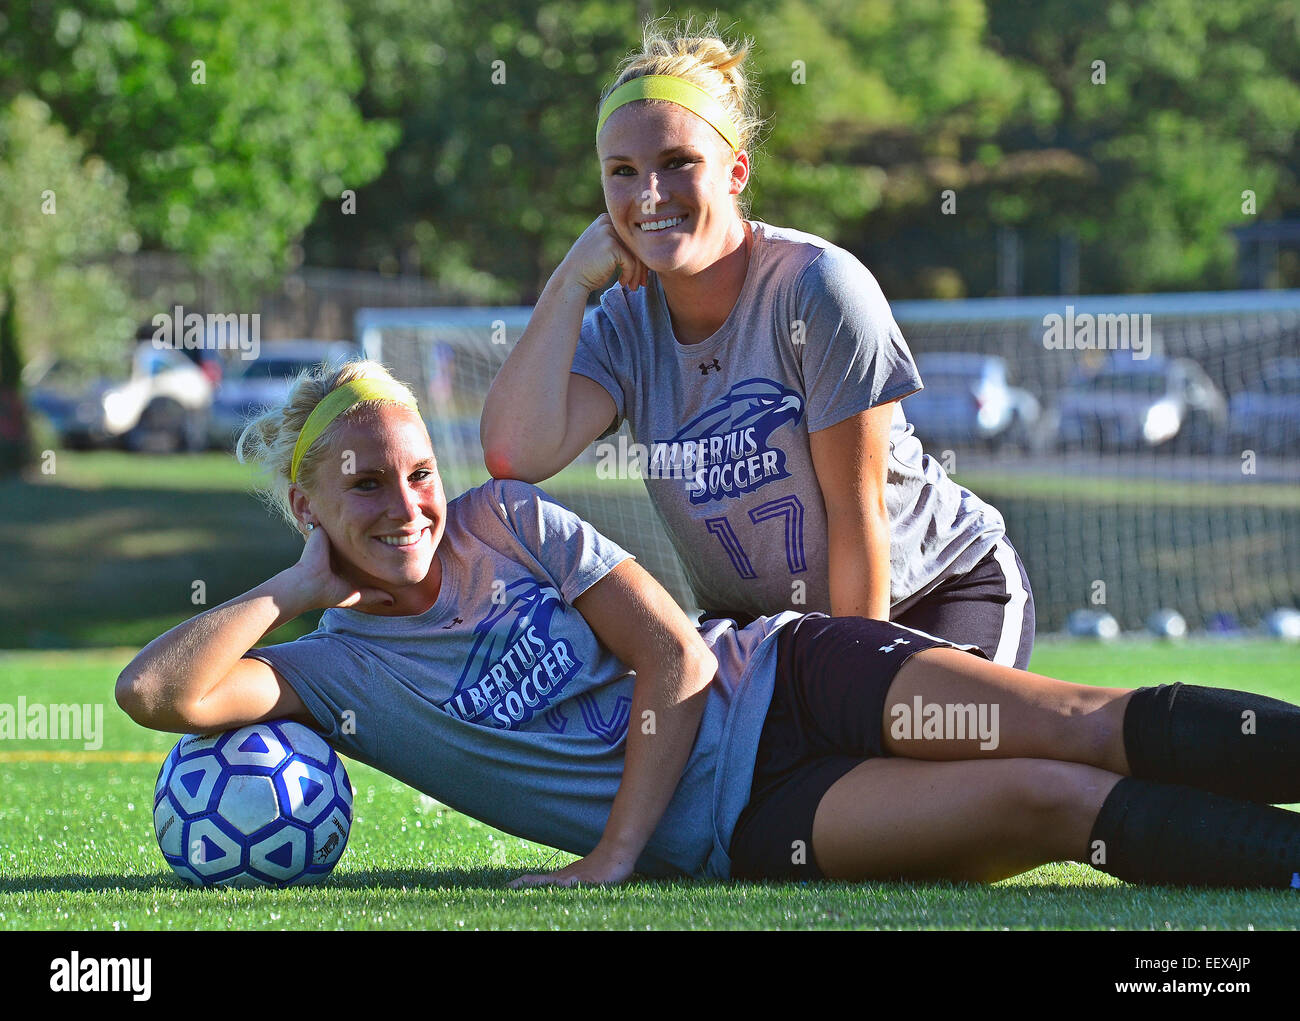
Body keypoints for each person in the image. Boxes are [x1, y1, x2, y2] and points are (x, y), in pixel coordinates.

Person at [117, 360, 1300, 889]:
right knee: (1046, 803)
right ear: (307, 503)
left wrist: (614, 854)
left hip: (790, 675)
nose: (406, 503)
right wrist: (294, 590)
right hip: (749, 820)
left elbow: (673, 651)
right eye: (362, 484)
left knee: (1083, 724)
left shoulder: (510, 517)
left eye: (415, 470)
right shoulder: (329, 675)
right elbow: (156, 695)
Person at [480, 22, 1034, 668]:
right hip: (768, 634)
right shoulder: (624, 321)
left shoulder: (818, 288)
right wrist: (569, 281)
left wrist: (860, 695)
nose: (649, 195)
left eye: (677, 163)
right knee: (711, 768)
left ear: (736, 170)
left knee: (924, 760)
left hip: (926, 594)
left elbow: (860, 520)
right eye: (622, 173)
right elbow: (512, 452)